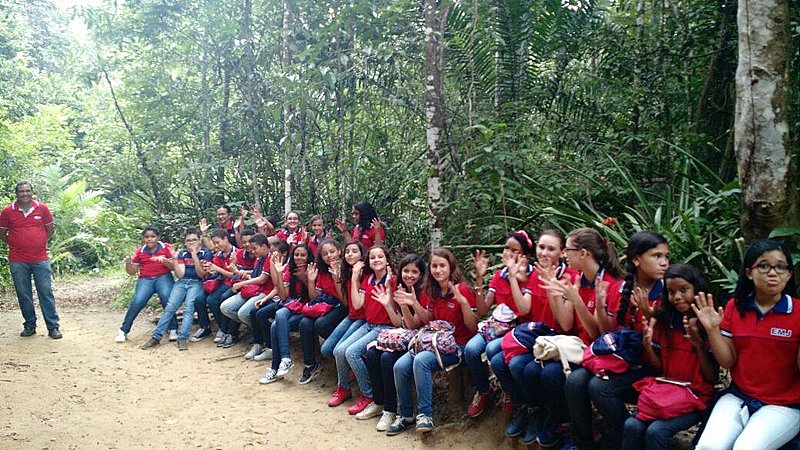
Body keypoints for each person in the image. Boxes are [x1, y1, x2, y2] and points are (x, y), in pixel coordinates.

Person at [695, 239, 800, 450]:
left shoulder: (797, 312)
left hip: (785, 404)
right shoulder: (735, 307)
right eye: (764, 266)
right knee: (708, 447)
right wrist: (712, 330)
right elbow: (727, 362)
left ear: (789, 274)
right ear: (749, 272)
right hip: (739, 395)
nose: (773, 273)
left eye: (781, 267)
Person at [544, 227, 624, 450]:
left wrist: (576, 300)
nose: (564, 254)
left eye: (568, 249)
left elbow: (599, 334)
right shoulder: (580, 279)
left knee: (576, 382)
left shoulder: (607, 284)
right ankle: (572, 433)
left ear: (583, 254)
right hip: (583, 350)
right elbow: (566, 323)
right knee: (547, 372)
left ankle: (590, 439)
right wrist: (554, 292)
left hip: (603, 354)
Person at [621, 264, 716, 450]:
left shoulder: (707, 326)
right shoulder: (666, 323)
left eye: (683, 290)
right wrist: (647, 346)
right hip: (668, 393)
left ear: (697, 289)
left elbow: (712, 378)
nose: (677, 297)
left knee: (656, 431)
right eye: (672, 292)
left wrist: (699, 346)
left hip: (697, 397)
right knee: (632, 425)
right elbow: (660, 369)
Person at [389, 248, 478, 435]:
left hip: (457, 346)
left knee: (421, 361)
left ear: (451, 267)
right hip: (434, 343)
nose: (438, 270)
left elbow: (472, 328)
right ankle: (406, 415)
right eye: (434, 266)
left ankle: (425, 415)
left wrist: (463, 303)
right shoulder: (433, 290)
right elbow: (428, 319)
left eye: (442, 266)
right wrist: (413, 303)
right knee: (399, 366)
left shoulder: (462, 289)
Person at [466, 230, 536, 418]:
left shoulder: (532, 276)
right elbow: (482, 310)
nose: (508, 253)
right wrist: (479, 278)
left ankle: (509, 390)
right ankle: (484, 391)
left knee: (492, 350)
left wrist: (515, 276)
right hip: (496, 326)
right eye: (506, 248)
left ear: (525, 256)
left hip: (518, 330)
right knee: (471, 350)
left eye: (515, 250)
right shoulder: (499, 276)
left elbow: (525, 311)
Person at [364, 253, 426, 431]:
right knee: (372, 353)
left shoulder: (423, 292)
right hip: (404, 335)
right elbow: (398, 323)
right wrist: (388, 304)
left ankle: (391, 410)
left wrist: (406, 305)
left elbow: (414, 325)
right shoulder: (400, 288)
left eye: (414, 272)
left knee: (387, 358)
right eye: (406, 271)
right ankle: (379, 402)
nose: (409, 275)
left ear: (421, 274)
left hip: (419, 339)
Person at [0, 180, 61, 338]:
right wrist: (16, 243)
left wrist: (38, 242)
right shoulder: (7, 211)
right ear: (16, 194)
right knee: (23, 293)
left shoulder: (42, 209)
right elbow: (2, 233)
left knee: (45, 292)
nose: (25, 194)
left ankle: (53, 327)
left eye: (27, 191)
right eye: (21, 191)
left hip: (40, 258)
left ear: (32, 192)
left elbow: (50, 230)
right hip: (17, 260)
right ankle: (29, 325)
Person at [141, 228, 213, 350]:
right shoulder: (182, 254)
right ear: (185, 242)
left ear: (199, 241)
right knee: (170, 306)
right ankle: (156, 337)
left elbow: (201, 275)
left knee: (189, 307)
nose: (191, 242)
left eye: (194, 240)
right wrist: (174, 259)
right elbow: (180, 275)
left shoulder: (205, 253)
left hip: (197, 282)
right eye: (188, 240)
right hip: (182, 282)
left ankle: (183, 337)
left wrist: (194, 256)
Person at [259, 243, 315, 384]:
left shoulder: (313, 269)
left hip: (309, 308)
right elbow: (283, 297)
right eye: (296, 255)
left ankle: (281, 362)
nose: (299, 257)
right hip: (294, 307)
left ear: (308, 256)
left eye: (303, 255)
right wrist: (279, 273)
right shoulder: (290, 270)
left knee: (278, 320)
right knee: (275, 324)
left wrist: (307, 279)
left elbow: (314, 299)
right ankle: (279, 364)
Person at [297, 239, 349, 384]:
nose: (329, 256)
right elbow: (315, 298)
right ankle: (311, 364)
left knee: (321, 324)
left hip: (343, 305)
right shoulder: (323, 271)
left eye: (332, 252)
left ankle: (342, 356)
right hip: (328, 304)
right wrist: (311, 281)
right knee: (304, 323)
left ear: (339, 251)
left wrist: (337, 279)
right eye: (325, 254)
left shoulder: (347, 268)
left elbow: (345, 301)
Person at [323, 240, 368, 407]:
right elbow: (346, 303)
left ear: (362, 254)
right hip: (351, 316)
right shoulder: (348, 271)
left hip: (363, 318)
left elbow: (360, 305)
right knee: (327, 349)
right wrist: (337, 280)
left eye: (354, 251)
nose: (350, 254)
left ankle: (344, 388)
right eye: (347, 251)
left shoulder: (363, 273)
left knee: (339, 351)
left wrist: (356, 277)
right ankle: (351, 371)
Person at [117, 226, 175, 343]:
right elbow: (132, 272)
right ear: (143, 238)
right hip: (146, 279)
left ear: (158, 237)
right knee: (138, 301)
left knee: (167, 297)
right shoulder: (140, 251)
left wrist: (164, 260)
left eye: (153, 236)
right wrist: (128, 263)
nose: (149, 239)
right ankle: (123, 330)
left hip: (163, 277)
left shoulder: (166, 248)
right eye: (147, 237)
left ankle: (173, 328)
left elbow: (174, 267)